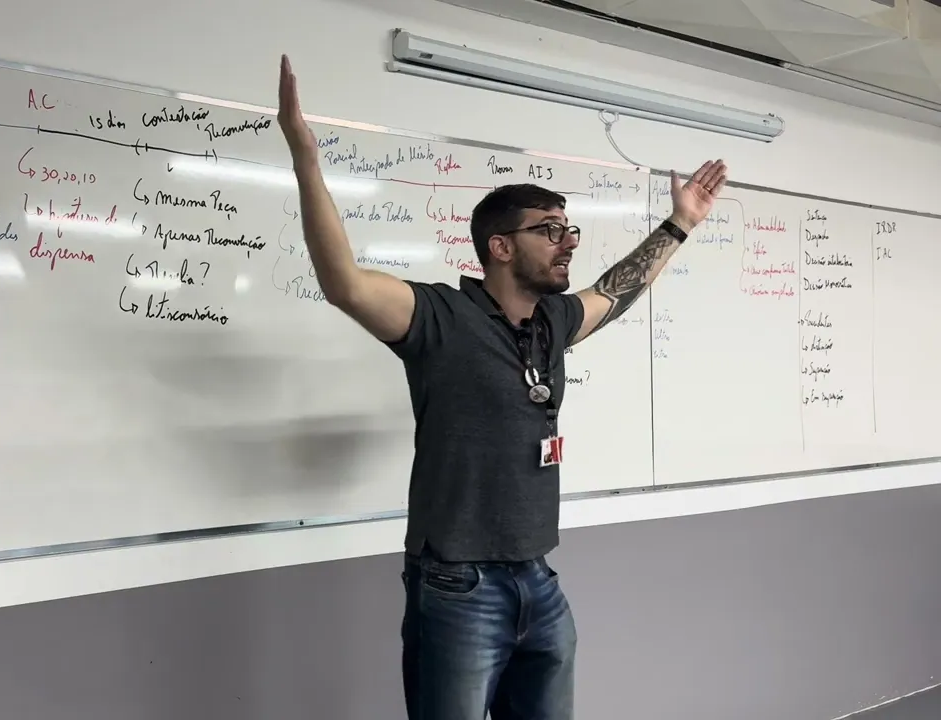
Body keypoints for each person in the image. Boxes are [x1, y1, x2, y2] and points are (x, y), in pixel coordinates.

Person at [274, 55, 728, 720]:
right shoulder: (440, 317)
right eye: (550, 230)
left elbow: (617, 292)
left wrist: (680, 223)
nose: (567, 242)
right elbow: (344, 283)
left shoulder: (553, 321)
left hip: (539, 579)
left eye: (568, 229)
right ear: (500, 247)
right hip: (457, 586)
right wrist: (304, 158)